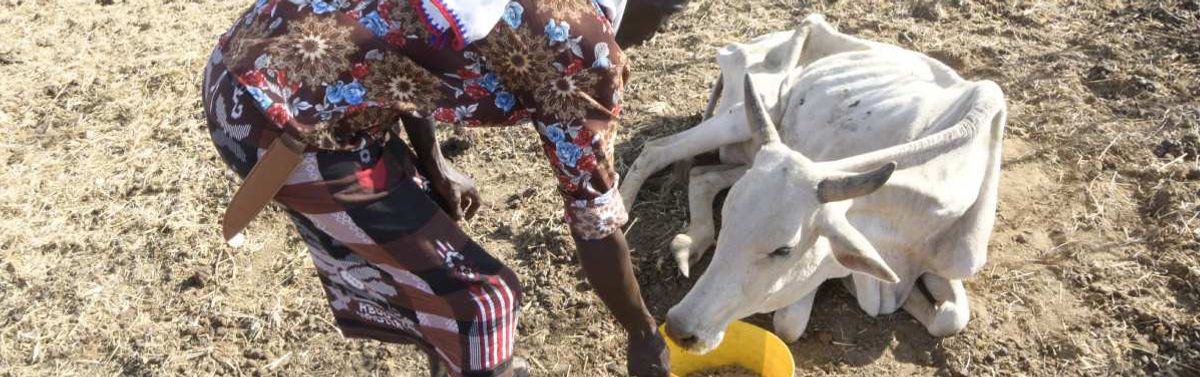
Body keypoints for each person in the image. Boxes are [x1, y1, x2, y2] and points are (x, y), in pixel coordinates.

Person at [201, 0, 688, 376]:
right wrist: (643, 333)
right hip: (276, 115)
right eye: (664, 21)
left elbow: (411, 52)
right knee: (483, 302)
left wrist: (436, 167)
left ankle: (461, 362)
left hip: (248, 64)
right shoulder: (588, 50)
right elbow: (595, 222)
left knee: (442, 252)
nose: (653, 36)